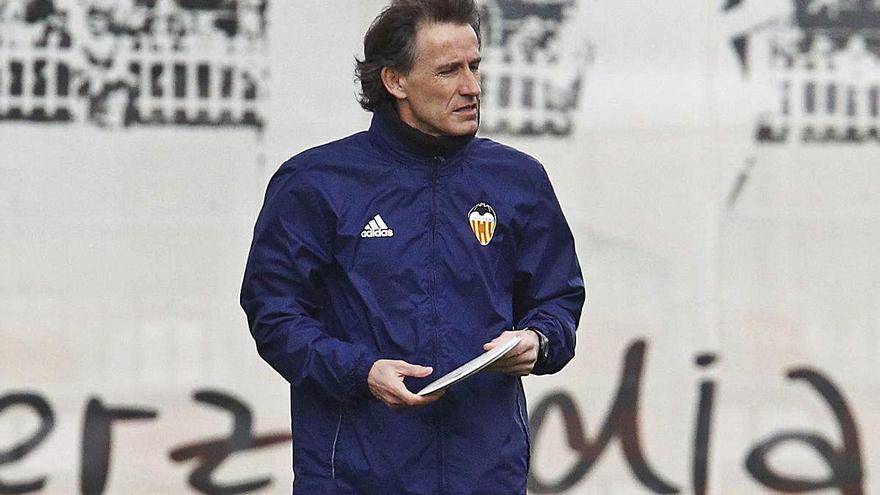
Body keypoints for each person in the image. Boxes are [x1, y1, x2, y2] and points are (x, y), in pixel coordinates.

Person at [240, 0, 585, 493]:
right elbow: (274, 314)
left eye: (474, 66)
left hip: (485, 476)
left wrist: (539, 340)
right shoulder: (315, 183)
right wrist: (361, 372)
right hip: (357, 478)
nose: (471, 87)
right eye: (448, 71)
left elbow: (558, 300)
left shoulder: (518, 180)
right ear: (395, 81)